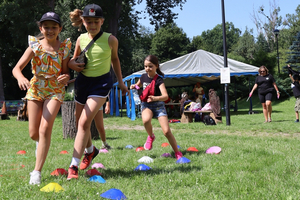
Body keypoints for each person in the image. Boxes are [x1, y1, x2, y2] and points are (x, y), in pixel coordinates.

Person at [67, 4, 128, 180]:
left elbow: (115, 60)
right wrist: (72, 65)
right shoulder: (80, 39)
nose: (92, 25)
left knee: (85, 122)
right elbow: (73, 60)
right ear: (83, 21)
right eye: (88, 21)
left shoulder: (111, 40)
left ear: (101, 21)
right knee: (80, 122)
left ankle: (73, 166)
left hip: (101, 84)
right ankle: (90, 150)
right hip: (82, 82)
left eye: (96, 21)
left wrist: (121, 82)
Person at [12, 12, 71, 185]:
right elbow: (16, 68)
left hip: (55, 90)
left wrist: (66, 77)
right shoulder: (34, 46)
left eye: (54, 27)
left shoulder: (64, 48)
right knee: (34, 134)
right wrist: (21, 78)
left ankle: (36, 172)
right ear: (41, 28)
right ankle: (40, 146)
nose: (50, 30)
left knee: (45, 129)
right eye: (46, 27)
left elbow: (66, 71)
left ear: (60, 28)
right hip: (36, 88)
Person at [130, 55, 183, 160]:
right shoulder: (143, 77)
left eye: (150, 66)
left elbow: (165, 96)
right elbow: (138, 85)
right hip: (146, 105)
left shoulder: (159, 79)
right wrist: (134, 86)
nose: (147, 69)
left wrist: (155, 98)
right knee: (146, 120)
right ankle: (150, 136)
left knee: (167, 132)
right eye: (145, 66)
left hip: (158, 106)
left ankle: (177, 152)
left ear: (156, 66)